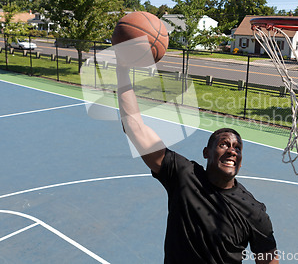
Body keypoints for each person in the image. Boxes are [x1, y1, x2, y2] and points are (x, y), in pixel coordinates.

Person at [116, 66, 279, 264]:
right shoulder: (184, 175)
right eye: (224, 144)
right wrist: (123, 69)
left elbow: (269, 260)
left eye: (237, 148)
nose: (232, 151)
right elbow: (135, 127)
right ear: (206, 152)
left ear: (240, 161)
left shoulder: (254, 212)